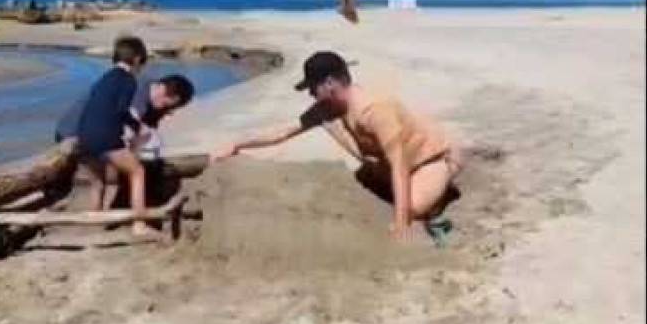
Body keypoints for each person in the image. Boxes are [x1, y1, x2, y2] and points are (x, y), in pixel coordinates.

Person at [211, 50, 461, 242]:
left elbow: (400, 164)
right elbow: (282, 132)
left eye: (312, 88)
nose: (310, 94)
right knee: (361, 171)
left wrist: (401, 224)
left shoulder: (373, 110)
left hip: (429, 162)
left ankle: (442, 187)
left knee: (412, 208)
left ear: (330, 83)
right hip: (389, 165)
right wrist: (236, 144)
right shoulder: (329, 108)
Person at [64, 36, 164, 238]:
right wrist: (135, 131)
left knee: (98, 181)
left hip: (84, 136)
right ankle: (139, 224)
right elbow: (120, 111)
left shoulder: (105, 77)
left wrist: (133, 127)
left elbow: (98, 107)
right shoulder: (128, 80)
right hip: (104, 137)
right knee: (137, 172)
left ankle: (95, 218)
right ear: (137, 60)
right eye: (142, 64)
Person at [53, 72, 196, 162]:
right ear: (163, 89)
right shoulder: (137, 92)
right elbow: (128, 132)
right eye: (168, 105)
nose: (168, 111)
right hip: (71, 134)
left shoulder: (148, 91)